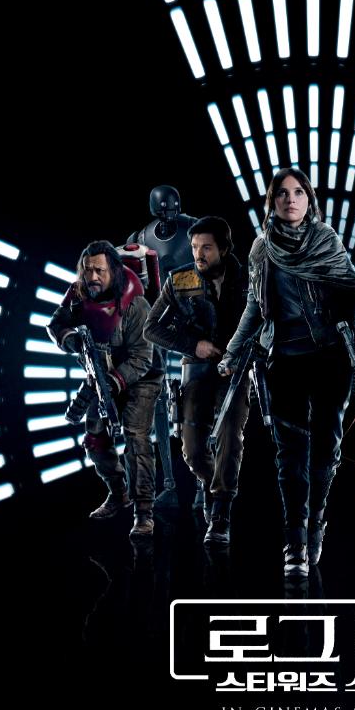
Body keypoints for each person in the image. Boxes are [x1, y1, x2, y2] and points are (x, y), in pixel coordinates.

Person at [220, 167, 355, 579]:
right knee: (290, 454)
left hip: (329, 357)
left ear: (309, 199)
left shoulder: (326, 241)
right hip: (282, 360)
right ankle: (294, 539)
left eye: (298, 192)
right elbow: (254, 308)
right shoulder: (261, 249)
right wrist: (233, 351)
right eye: (283, 193)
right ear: (272, 202)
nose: (291, 199)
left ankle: (316, 520)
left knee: (326, 448)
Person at [143, 216, 249, 545]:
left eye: (206, 247)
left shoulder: (249, 279)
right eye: (194, 247)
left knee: (230, 435)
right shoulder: (180, 280)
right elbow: (151, 328)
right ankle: (212, 485)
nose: (198, 254)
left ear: (224, 249)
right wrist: (193, 345)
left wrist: (246, 352)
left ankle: (220, 513)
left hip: (236, 369)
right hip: (197, 367)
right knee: (190, 447)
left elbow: (267, 320)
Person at [47, 241, 164, 536]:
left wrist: (113, 382)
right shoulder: (78, 294)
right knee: (95, 438)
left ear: (114, 270)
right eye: (88, 270)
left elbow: (142, 358)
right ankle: (118, 492)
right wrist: (69, 338)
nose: (93, 277)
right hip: (100, 373)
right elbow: (55, 324)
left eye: (99, 270)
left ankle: (144, 512)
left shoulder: (135, 302)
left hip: (141, 375)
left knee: (135, 437)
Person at [128, 185, 200, 511]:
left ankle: (201, 485)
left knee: (198, 399)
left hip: (193, 317)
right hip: (156, 321)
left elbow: (212, 269)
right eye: (165, 212)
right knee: (156, 399)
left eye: (173, 211)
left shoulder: (194, 229)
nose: (169, 218)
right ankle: (169, 483)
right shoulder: (142, 237)